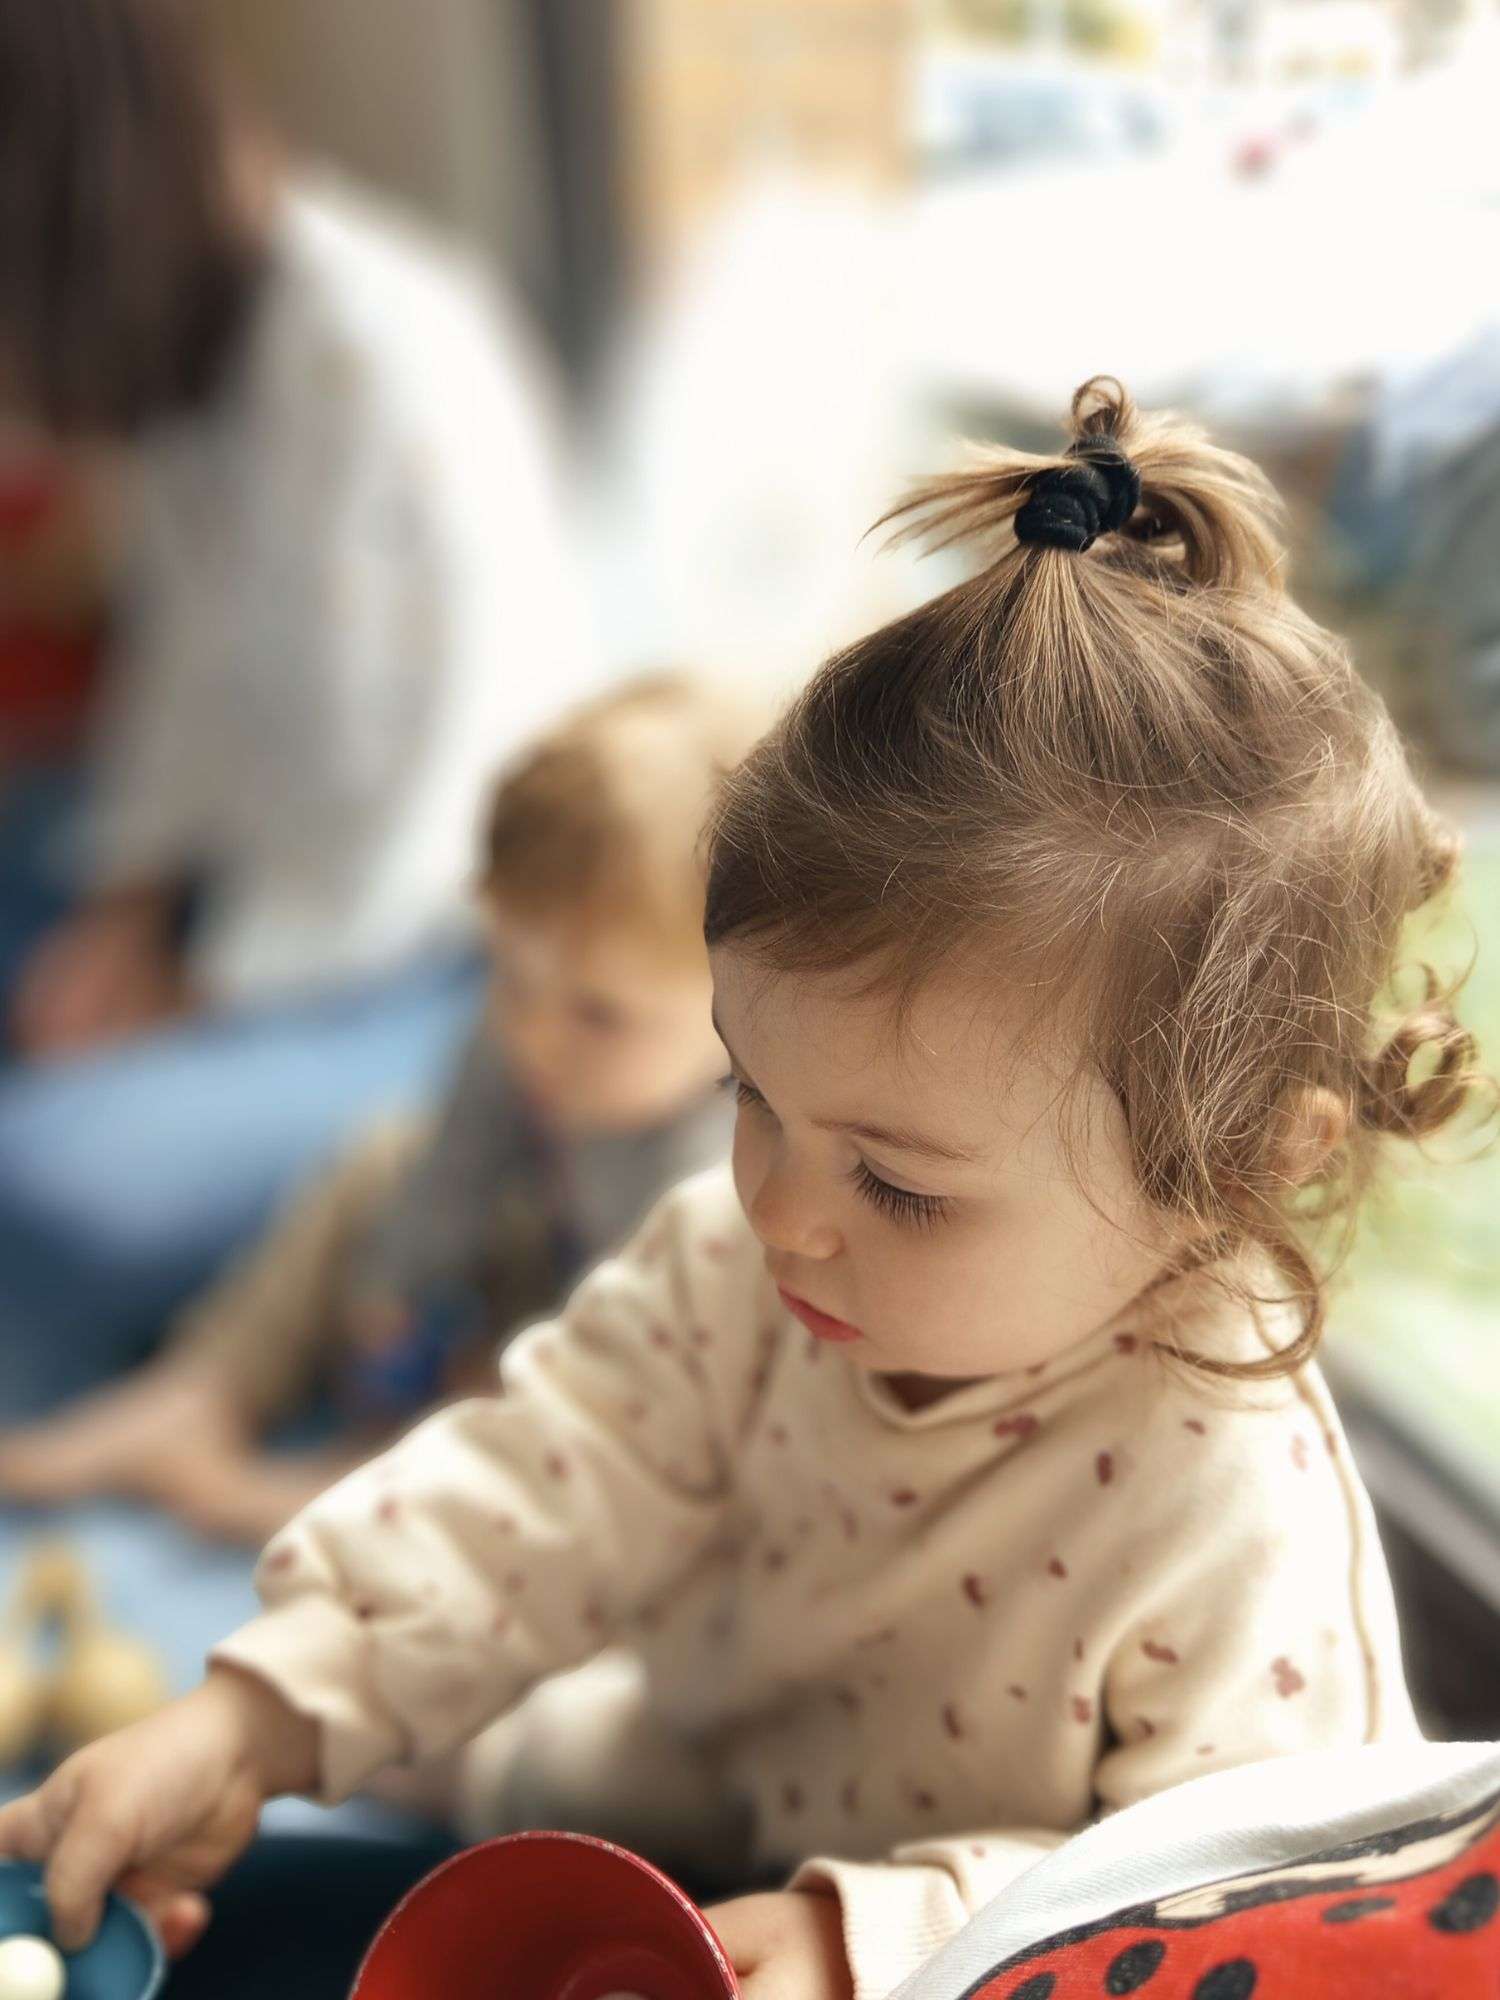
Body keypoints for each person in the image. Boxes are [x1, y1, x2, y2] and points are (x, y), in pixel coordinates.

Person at [0, 379, 1482, 2000]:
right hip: (665, 1795)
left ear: (1247, 1172)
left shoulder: (1231, 1507)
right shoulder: (738, 1257)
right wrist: (253, 1717)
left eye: (903, 1186)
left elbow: (1195, 1923)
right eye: (749, 1092)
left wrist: (873, 1940)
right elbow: (538, 1490)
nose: (776, 1206)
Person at [0, 0, 594, 1417]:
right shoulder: (212, 354)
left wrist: (187, 995)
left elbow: (420, 831)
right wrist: (131, 906)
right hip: (266, 887)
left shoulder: (376, 355)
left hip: (434, 949)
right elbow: (189, 681)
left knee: (47, 1198)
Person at [0, 676, 756, 1546]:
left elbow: (616, 1385)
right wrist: (402, 1283)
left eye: (599, 1014)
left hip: (620, 1372)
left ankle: (353, 1493)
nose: (537, 1035)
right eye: (510, 976)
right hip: (529, 1253)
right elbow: (456, 1158)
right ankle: (203, 1388)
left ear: (740, 1009)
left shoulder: (712, 1181)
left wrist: (482, 1365)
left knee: (530, 1403)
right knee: (377, 1158)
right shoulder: (528, 1027)